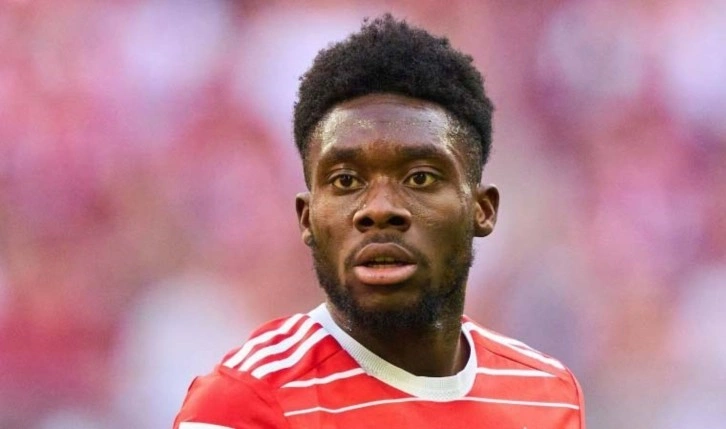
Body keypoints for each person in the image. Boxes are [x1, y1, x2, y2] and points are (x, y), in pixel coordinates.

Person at [174, 14, 586, 429]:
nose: (379, 208)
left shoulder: (546, 394)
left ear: (482, 209)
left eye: (420, 178)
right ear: (307, 219)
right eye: (346, 180)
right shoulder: (244, 403)